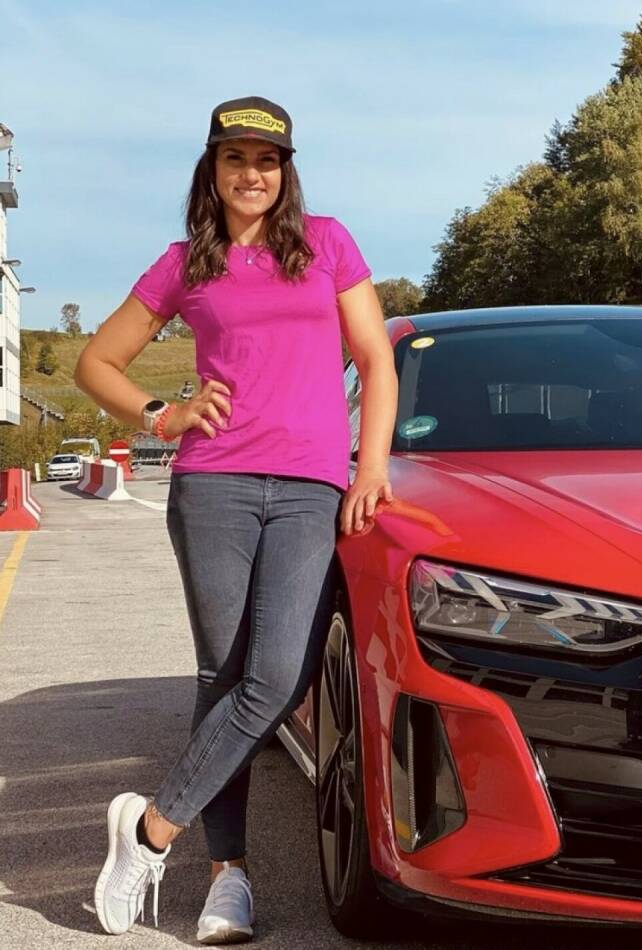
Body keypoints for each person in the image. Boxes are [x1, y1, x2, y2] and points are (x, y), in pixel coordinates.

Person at [74, 95, 398, 944]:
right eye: (235, 158)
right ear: (212, 169)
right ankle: (228, 880)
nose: (252, 174)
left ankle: (151, 830)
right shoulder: (185, 263)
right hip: (212, 486)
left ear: (286, 171)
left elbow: (375, 359)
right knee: (223, 680)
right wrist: (163, 413)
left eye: (268, 160)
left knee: (279, 678)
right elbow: (96, 361)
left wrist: (369, 466)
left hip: (310, 489)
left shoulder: (327, 243)